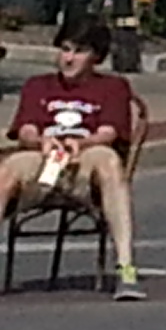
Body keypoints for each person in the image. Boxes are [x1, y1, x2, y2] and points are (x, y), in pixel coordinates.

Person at [2, 23, 145, 298]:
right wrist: (41, 141)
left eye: (79, 52)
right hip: (43, 159)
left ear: (96, 57)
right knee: (8, 168)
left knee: (109, 161)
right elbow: (25, 129)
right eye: (64, 50)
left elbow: (109, 132)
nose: (68, 58)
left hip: (85, 159)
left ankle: (126, 268)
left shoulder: (113, 87)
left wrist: (81, 142)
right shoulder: (38, 85)